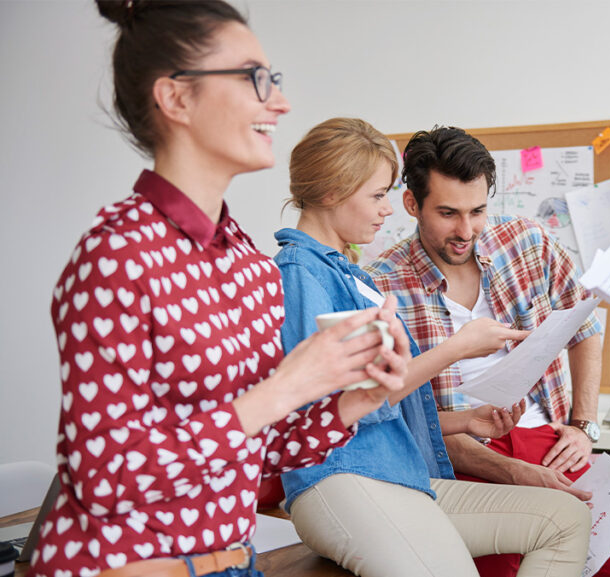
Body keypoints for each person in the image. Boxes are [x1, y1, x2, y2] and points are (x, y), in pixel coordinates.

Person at [30, 3, 409, 577]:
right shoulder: (116, 257)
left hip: (233, 564)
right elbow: (104, 475)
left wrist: (348, 404)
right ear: (177, 98)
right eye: (254, 79)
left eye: (274, 82)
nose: (278, 103)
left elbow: (255, 447)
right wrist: (287, 387)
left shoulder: (251, 269)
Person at [273, 117, 592, 577]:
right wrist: (458, 347)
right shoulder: (301, 273)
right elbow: (347, 405)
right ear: (331, 193)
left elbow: (380, 402)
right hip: (347, 478)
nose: (386, 211)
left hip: (397, 472)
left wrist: (466, 420)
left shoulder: (347, 274)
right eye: (378, 195)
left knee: (565, 518)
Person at [365, 126, 610, 577]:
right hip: (461, 462)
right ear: (411, 204)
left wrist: (583, 424)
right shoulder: (381, 284)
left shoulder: (527, 242)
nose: (465, 230)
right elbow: (401, 417)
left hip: (550, 444)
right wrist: (511, 472)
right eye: (448, 213)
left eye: (477, 211)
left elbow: (586, 324)